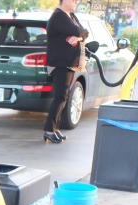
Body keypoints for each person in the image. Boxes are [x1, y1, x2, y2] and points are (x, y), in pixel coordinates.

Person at [44, 0, 88, 143]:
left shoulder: (71, 16)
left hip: (68, 63)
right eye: (73, 0)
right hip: (60, 63)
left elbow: (84, 32)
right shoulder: (59, 16)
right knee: (60, 96)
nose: (76, 2)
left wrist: (80, 37)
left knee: (63, 96)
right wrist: (79, 34)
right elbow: (77, 31)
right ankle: (49, 130)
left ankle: (55, 129)